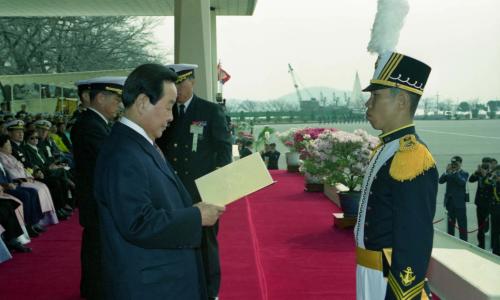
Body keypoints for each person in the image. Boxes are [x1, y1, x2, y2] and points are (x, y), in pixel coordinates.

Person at [94, 63, 225, 299]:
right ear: (143, 102)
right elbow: (137, 223)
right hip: (151, 286)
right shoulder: (123, 153)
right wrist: (196, 216)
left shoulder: (140, 144)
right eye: (168, 107)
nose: (171, 117)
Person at [355, 52, 438, 299]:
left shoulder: (412, 157)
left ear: (402, 101)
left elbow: (414, 237)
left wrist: (403, 293)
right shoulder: (385, 149)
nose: (368, 104)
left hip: (389, 280)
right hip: (369, 273)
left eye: (376, 96)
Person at [157, 64, 232, 300]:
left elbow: (223, 147)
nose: (178, 89)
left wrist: (219, 185)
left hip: (202, 190)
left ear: (193, 82)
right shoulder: (167, 112)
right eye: (174, 85)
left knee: (206, 244)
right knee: (178, 239)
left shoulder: (208, 110)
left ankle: (211, 292)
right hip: (173, 190)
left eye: (182, 83)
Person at [71, 76, 126, 300]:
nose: (119, 104)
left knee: (97, 245)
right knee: (97, 246)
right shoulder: (90, 126)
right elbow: (109, 160)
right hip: (96, 198)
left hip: (95, 197)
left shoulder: (97, 123)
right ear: (100, 98)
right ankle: (95, 291)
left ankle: (94, 288)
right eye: (115, 99)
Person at [439, 156, 469, 241]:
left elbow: (462, 182)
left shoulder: (464, 173)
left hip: (460, 204)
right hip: (450, 203)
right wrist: (446, 171)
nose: (454, 165)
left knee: (462, 225)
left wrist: (455, 172)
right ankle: (450, 241)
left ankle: (464, 243)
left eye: (456, 163)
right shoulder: (449, 173)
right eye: (453, 163)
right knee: (450, 225)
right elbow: (440, 181)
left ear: (460, 163)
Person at [469, 158, 494, 249]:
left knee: (489, 225)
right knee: (480, 225)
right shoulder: (479, 173)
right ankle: (481, 244)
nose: (485, 167)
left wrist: (485, 175)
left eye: (487, 165)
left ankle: (491, 245)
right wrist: (476, 172)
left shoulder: (493, 175)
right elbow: (471, 180)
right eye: (483, 165)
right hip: (479, 203)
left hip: (489, 204)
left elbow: (488, 185)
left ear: (490, 165)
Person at [489, 166, 500, 255]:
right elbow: (486, 182)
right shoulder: (494, 182)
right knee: (495, 231)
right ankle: (495, 251)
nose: (497, 175)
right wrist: (491, 177)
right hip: (495, 210)